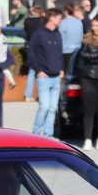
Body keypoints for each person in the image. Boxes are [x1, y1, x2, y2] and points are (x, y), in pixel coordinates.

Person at [26, 8, 65, 137]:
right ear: (51, 18)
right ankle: (36, 133)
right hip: (44, 77)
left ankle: (48, 135)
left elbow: (59, 54)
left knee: (53, 109)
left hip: (56, 77)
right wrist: (38, 70)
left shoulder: (58, 34)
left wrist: (62, 69)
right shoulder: (39, 34)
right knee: (44, 107)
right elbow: (31, 53)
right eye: (58, 18)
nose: (60, 20)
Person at [76, 17, 98, 151]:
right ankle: (88, 138)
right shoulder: (86, 39)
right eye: (93, 26)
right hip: (88, 77)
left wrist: (97, 54)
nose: (94, 28)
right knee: (88, 109)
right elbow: (83, 55)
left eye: (97, 26)